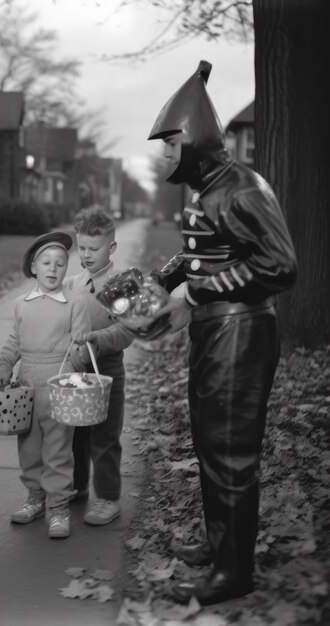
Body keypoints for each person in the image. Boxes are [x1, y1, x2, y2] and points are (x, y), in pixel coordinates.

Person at [142, 60, 297, 605]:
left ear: (192, 139)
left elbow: (279, 266)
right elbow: (201, 252)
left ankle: (235, 573)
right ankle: (220, 544)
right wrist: (161, 282)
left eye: (168, 143)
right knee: (210, 442)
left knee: (230, 449)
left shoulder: (242, 188)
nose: (163, 155)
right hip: (213, 333)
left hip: (241, 334)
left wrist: (198, 292)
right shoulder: (208, 188)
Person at [0, 232, 90, 539]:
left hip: (61, 385)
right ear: (33, 267)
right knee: (30, 449)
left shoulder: (74, 303)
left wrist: (80, 353)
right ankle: (35, 497)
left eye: (60, 264)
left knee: (59, 451)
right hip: (27, 388)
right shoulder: (22, 304)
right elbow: (14, 341)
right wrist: (4, 363)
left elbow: (83, 344)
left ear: (66, 269)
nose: (53, 268)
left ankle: (59, 507)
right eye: (46, 263)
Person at [64, 207, 134, 525]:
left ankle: (107, 498)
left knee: (104, 436)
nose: (87, 255)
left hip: (107, 369)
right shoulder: (74, 283)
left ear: (112, 248)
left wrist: (98, 339)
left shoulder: (121, 284)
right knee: (76, 434)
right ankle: (77, 487)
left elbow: (127, 330)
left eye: (94, 249)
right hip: (78, 370)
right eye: (82, 248)